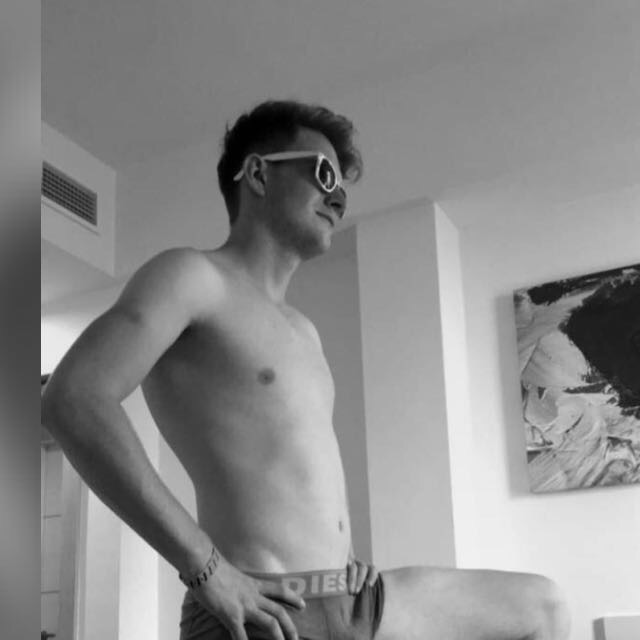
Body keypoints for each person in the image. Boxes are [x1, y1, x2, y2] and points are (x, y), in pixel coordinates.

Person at [41, 100, 570, 640]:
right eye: (324, 175)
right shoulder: (193, 277)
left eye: (342, 187)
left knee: (542, 608)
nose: (338, 198)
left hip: (355, 596)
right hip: (263, 610)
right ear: (257, 174)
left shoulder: (302, 330)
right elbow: (73, 398)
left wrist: (345, 551)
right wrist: (205, 568)